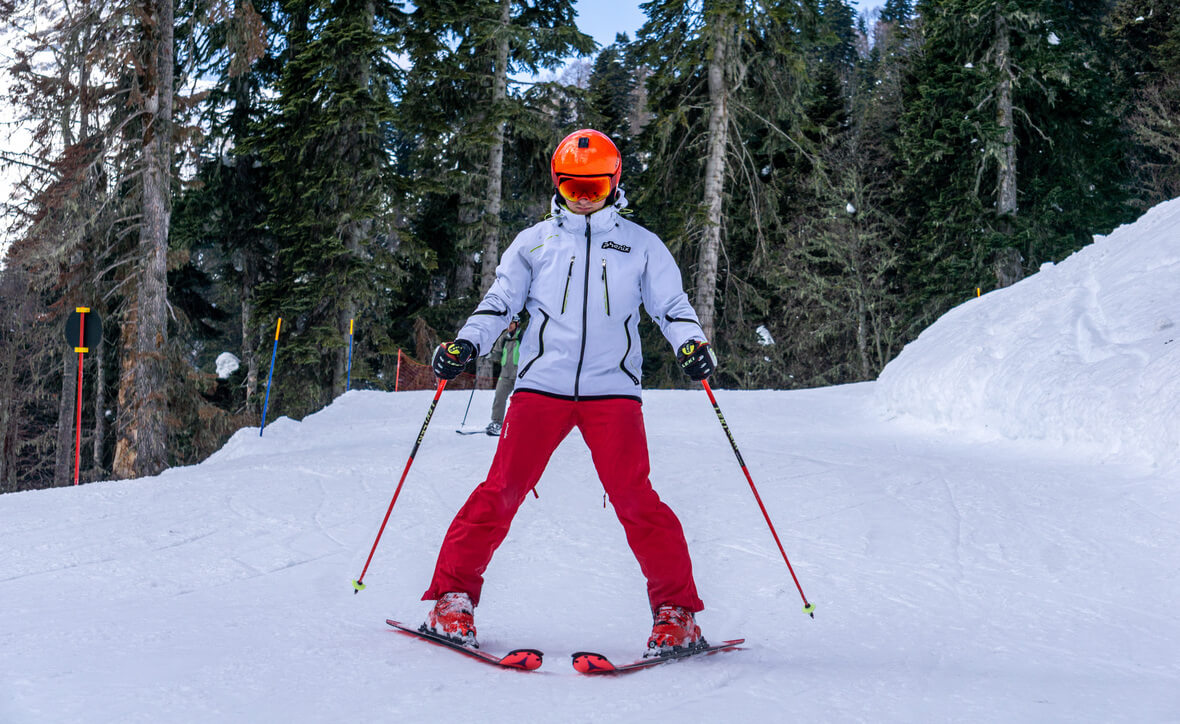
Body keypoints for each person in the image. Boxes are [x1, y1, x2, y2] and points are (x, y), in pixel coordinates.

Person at [424, 128, 718, 657]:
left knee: (636, 501)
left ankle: (677, 614)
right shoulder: (534, 243)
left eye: (595, 190)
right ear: (557, 185)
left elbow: (671, 307)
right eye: (573, 188)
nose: (584, 200)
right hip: (542, 388)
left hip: (613, 392)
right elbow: (500, 302)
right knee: (501, 491)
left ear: (614, 183)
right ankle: (451, 598)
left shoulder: (641, 246)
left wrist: (691, 343)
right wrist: (468, 344)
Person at [484, 314, 524, 436]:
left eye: (511, 324)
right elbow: (497, 352)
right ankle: (496, 422)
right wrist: (489, 355)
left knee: (521, 401)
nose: (509, 327)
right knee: (499, 397)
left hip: (520, 376)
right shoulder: (504, 338)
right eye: (508, 324)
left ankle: (520, 424)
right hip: (505, 374)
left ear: (516, 324)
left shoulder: (523, 336)